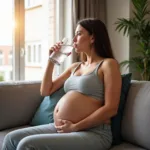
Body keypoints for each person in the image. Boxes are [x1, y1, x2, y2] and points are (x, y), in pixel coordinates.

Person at [2, 18, 122, 150]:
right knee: (11, 138)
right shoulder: (75, 67)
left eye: (79, 34)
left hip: (93, 132)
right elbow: (45, 91)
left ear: (92, 38)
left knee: (27, 145)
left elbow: (111, 108)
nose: (74, 39)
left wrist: (75, 127)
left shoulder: (108, 64)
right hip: (61, 127)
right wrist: (51, 60)